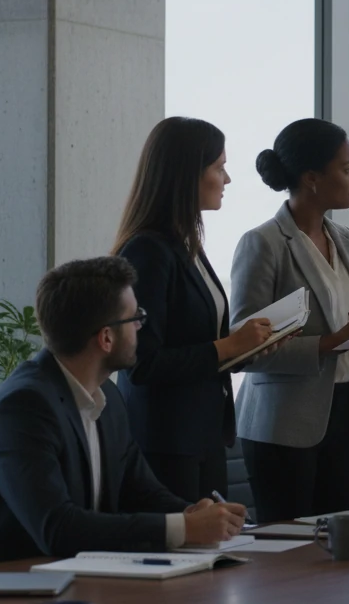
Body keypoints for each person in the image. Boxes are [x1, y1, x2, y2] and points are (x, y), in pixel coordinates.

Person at [0, 257, 246, 567]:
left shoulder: (107, 397)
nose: (141, 326)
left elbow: (142, 492)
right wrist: (183, 529)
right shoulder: (21, 408)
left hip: (71, 574)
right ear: (106, 337)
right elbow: (57, 528)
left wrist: (191, 513)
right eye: (135, 317)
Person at [232, 118, 349, 523]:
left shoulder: (343, 238)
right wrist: (328, 343)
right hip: (283, 424)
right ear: (312, 178)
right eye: (347, 168)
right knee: (290, 549)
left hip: (346, 415)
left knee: (344, 542)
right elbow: (244, 348)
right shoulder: (263, 243)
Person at [113, 116, 274, 502]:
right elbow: (142, 363)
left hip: (202, 435)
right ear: (187, 175)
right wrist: (229, 346)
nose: (227, 179)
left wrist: (246, 348)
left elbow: (195, 343)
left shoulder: (186, 245)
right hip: (165, 444)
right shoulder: (148, 251)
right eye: (219, 167)